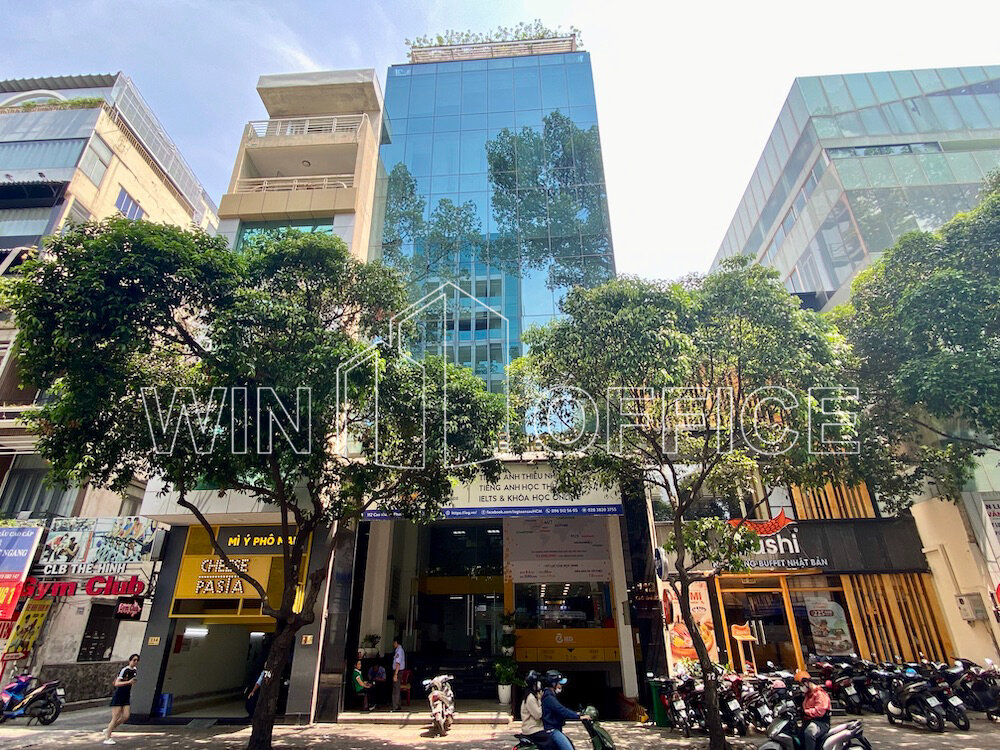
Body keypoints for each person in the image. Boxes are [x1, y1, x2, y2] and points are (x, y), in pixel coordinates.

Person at [540, 670, 590, 750]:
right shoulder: (549, 697)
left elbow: (560, 709)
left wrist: (576, 713)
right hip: (552, 730)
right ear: (553, 684)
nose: (561, 686)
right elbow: (561, 710)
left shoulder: (550, 695)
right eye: (560, 684)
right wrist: (578, 717)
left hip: (555, 729)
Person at [103, 653, 139, 745]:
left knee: (126, 716)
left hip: (126, 695)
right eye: (134, 660)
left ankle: (109, 729)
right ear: (130, 660)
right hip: (119, 694)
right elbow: (116, 683)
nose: (135, 662)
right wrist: (128, 682)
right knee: (116, 716)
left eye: (137, 660)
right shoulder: (124, 670)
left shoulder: (135, 670)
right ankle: (107, 736)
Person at [797, 670, 831, 750]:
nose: (801, 687)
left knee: (809, 733)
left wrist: (805, 712)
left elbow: (820, 711)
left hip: (821, 722)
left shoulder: (819, 693)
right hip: (809, 721)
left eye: (802, 685)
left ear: (807, 683)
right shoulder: (808, 695)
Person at [520, 671, 552, 748]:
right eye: (538, 682)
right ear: (534, 683)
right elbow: (538, 715)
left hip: (537, 728)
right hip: (532, 729)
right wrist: (543, 702)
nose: (540, 684)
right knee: (551, 741)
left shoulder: (535, 695)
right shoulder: (530, 698)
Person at [390, 636, 405, 711]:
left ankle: (395, 706)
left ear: (396, 642)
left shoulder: (399, 651)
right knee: (397, 688)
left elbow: (398, 663)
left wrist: (395, 674)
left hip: (398, 671)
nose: (393, 644)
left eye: (394, 642)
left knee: (396, 689)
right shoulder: (398, 650)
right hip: (398, 671)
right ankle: (398, 705)